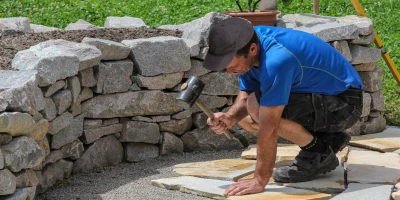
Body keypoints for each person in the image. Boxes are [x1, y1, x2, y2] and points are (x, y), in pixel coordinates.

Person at [203, 17, 363, 196]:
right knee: (247, 118)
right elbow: (247, 94)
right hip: (323, 96)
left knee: (257, 107)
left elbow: (269, 127)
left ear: (252, 50)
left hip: (345, 104)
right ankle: (327, 139)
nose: (229, 72)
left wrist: (259, 179)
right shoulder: (248, 43)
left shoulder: (276, 60)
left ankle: (319, 153)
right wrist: (231, 117)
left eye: (231, 66)